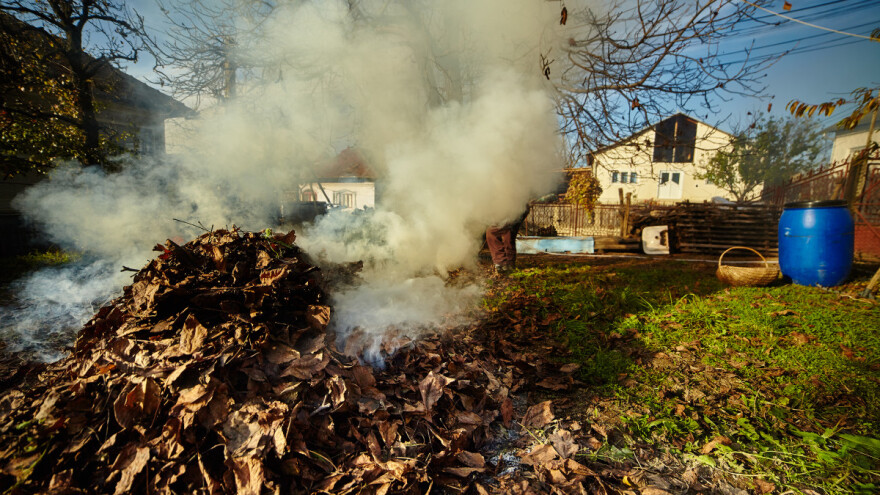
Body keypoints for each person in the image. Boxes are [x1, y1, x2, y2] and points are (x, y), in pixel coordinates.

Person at [486, 204, 530, 275]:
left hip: (512, 207)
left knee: (492, 232)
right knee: (509, 233)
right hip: (522, 207)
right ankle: (510, 263)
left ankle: (501, 263)